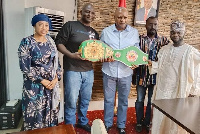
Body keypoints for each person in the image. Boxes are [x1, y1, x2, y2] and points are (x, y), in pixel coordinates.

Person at [55, 3, 99, 132]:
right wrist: (71, 55)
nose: (89, 15)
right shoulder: (70, 25)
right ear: (81, 12)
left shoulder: (95, 33)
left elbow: (96, 52)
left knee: (85, 100)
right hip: (72, 70)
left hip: (89, 70)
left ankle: (82, 121)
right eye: (87, 12)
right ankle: (70, 126)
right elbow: (59, 43)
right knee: (71, 100)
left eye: (92, 13)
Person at [150, 21, 200, 134]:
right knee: (159, 116)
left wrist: (194, 90)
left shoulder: (190, 51)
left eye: (178, 32)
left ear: (184, 33)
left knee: (174, 121)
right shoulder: (164, 49)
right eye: (173, 32)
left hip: (177, 92)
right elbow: (160, 66)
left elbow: (198, 70)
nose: (175, 35)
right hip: (162, 90)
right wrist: (150, 64)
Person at [18, 14, 62, 131]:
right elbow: (25, 67)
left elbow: (56, 62)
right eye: (40, 25)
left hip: (51, 85)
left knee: (50, 116)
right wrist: (42, 80)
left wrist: (56, 79)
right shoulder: (26, 42)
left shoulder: (51, 41)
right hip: (34, 87)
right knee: (35, 116)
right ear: (34, 26)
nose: (44, 28)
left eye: (46, 25)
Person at [100, 7, 140, 134]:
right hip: (109, 71)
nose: (122, 20)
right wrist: (105, 58)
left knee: (123, 100)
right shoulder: (106, 32)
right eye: (119, 17)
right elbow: (101, 51)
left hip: (126, 72)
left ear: (127, 18)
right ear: (114, 18)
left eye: (124, 17)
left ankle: (121, 125)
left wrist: (136, 62)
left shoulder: (134, 33)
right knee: (108, 99)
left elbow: (136, 52)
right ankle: (107, 123)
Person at [134, 16, 169, 133]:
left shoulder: (164, 41)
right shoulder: (139, 39)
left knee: (151, 101)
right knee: (139, 100)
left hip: (155, 77)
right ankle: (139, 121)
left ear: (158, 25)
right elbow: (132, 54)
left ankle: (147, 122)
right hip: (141, 75)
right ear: (145, 25)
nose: (152, 27)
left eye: (155, 24)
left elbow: (169, 56)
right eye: (150, 24)